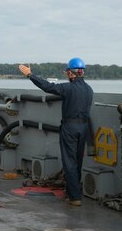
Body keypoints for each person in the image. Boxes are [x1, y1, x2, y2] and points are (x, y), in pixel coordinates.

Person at [19, 58, 94, 206]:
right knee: (78, 161)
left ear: (72, 74)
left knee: (69, 162)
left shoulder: (68, 88)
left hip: (70, 128)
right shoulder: (89, 89)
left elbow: (47, 87)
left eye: (67, 72)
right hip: (83, 128)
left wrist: (30, 75)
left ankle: (74, 197)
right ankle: (74, 191)